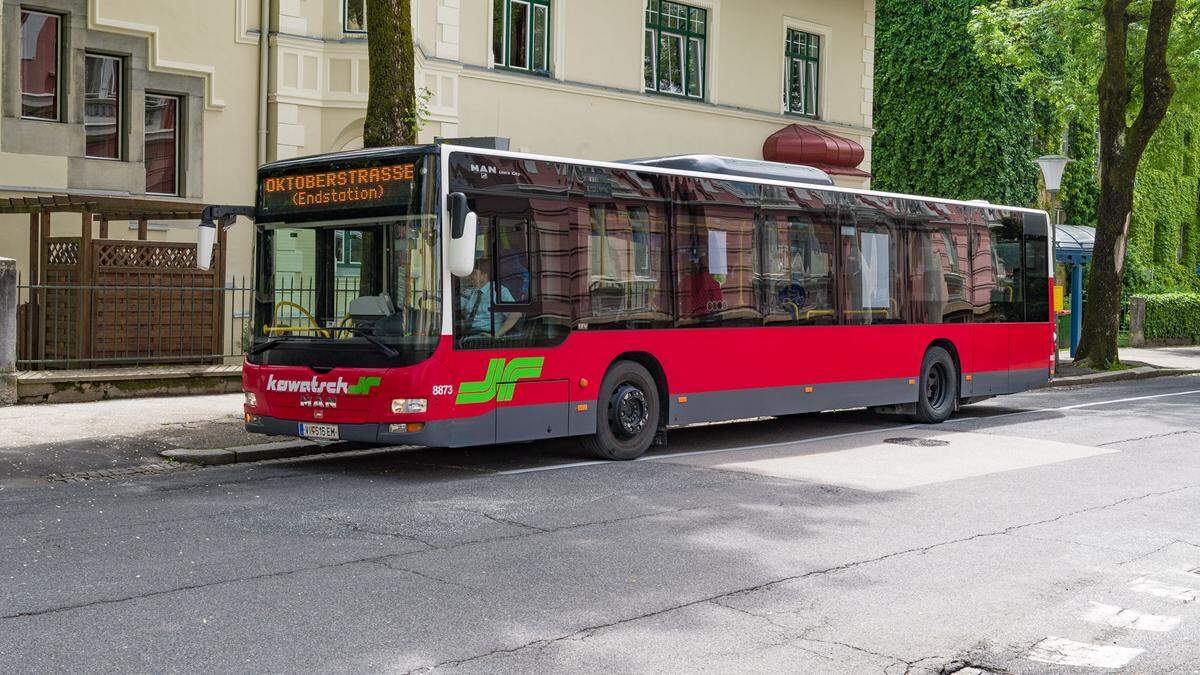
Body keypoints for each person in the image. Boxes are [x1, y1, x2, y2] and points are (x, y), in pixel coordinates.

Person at [460, 264, 520, 337]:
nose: (470, 277)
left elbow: (515, 314)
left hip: (486, 335)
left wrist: (497, 335)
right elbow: (462, 311)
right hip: (469, 334)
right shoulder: (472, 291)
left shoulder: (499, 291)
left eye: (474, 274)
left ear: (485, 275)